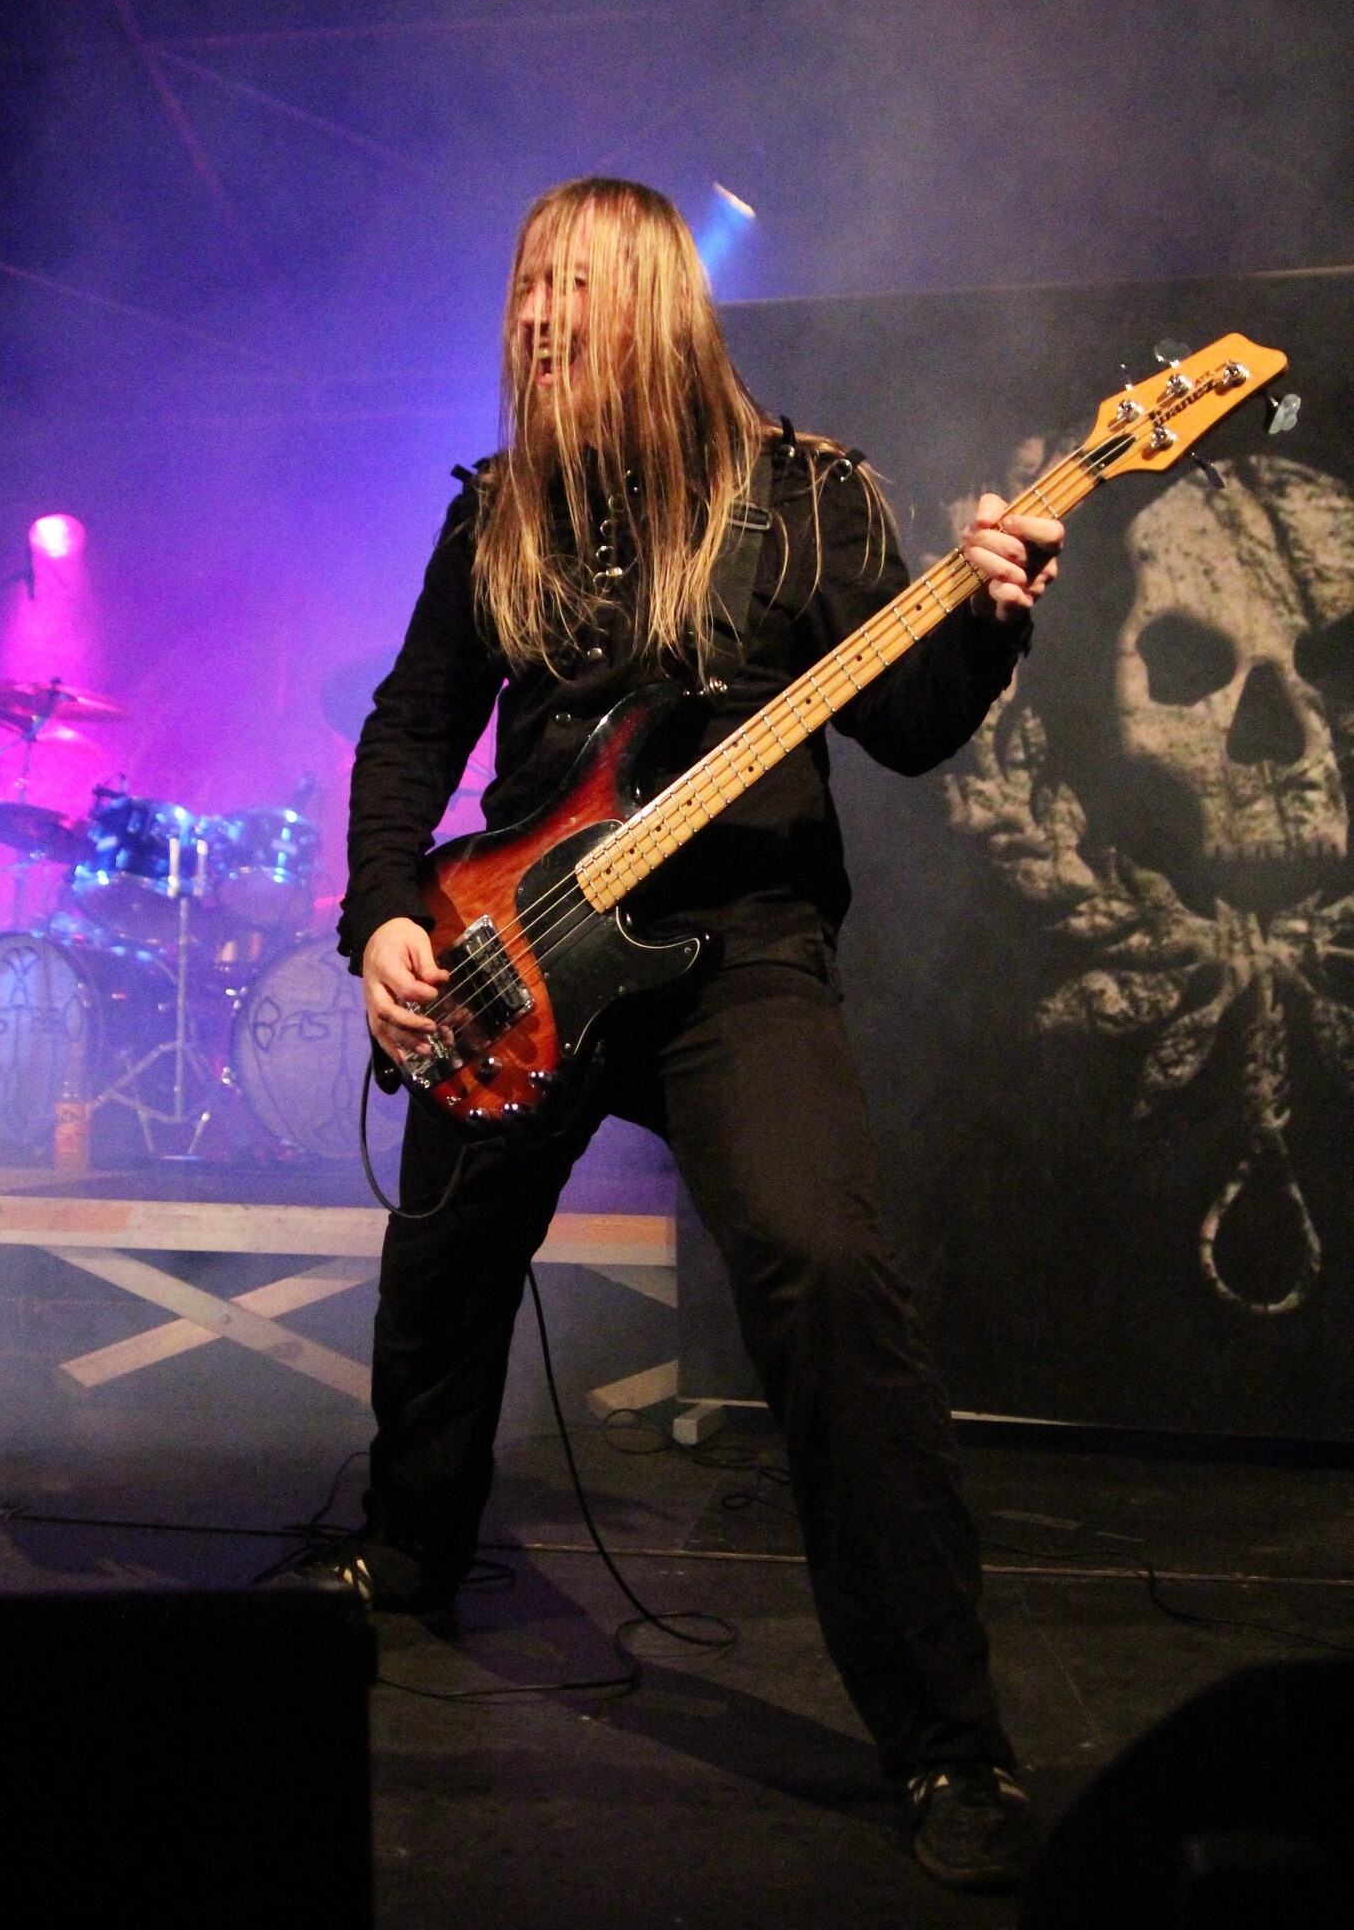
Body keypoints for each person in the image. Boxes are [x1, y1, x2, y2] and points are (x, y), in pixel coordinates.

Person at [330, 177, 1063, 1891]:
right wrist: (381, 918)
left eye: (569, 286)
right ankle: (404, 1553)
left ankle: (948, 1739)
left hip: (738, 951)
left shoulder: (807, 499)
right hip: (517, 949)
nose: (532, 315)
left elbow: (907, 727)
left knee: (823, 1270)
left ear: (653, 300)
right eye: (523, 284)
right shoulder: (497, 513)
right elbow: (414, 725)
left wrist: (986, 620)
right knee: (440, 1264)